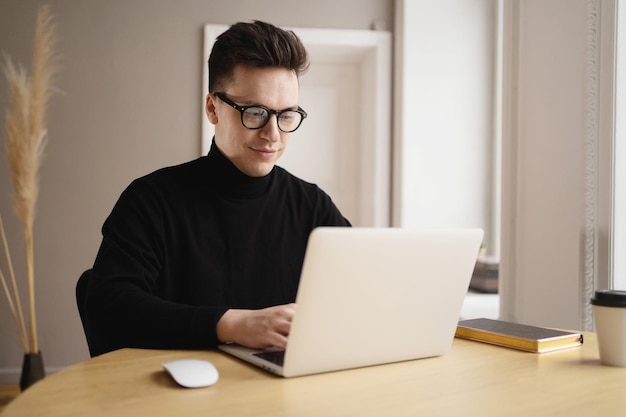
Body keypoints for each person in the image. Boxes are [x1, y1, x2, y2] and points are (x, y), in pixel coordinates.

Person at [81, 20, 351, 356]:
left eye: (286, 115)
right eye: (255, 113)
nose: (273, 134)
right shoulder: (151, 200)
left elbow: (361, 294)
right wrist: (231, 325)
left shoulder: (312, 205)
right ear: (213, 108)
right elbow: (109, 309)